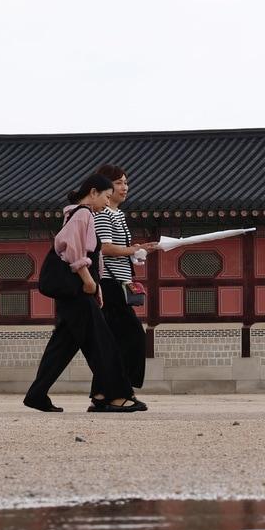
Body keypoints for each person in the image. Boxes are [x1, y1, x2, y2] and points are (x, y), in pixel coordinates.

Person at [23, 173, 144, 413]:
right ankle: (115, 395)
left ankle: (37, 395)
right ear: (93, 193)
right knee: (101, 343)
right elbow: (73, 251)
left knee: (63, 345)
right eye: (106, 197)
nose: (107, 203)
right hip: (79, 289)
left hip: (73, 292)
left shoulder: (73, 213)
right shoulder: (83, 214)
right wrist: (89, 282)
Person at [93, 164, 156, 395]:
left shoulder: (118, 214)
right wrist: (132, 250)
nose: (124, 187)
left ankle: (103, 393)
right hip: (109, 284)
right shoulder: (103, 213)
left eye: (126, 182)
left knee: (116, 341)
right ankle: (120, 391)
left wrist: (137, 251)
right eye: (119, 182)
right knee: (133, 338)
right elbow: (105, 248)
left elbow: (119, 248)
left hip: (120, 283)